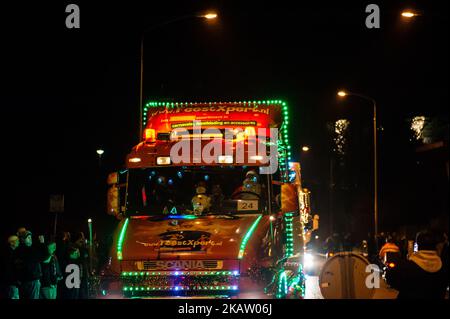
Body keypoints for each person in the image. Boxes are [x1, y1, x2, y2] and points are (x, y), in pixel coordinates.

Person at [385, 230, 448, 299]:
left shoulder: (406, 266)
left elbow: (391, 279)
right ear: (436, 245)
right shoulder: (443, 268)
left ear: (418, 245)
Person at [15, 230, 47, 299]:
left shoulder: (16, 250)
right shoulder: (30, 250)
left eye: (31, 237)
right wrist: (42, 243)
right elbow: (44, 256)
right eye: (28, 237)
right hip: (31, 282)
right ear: (22, 239)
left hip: (22, 282)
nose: (31, 239)